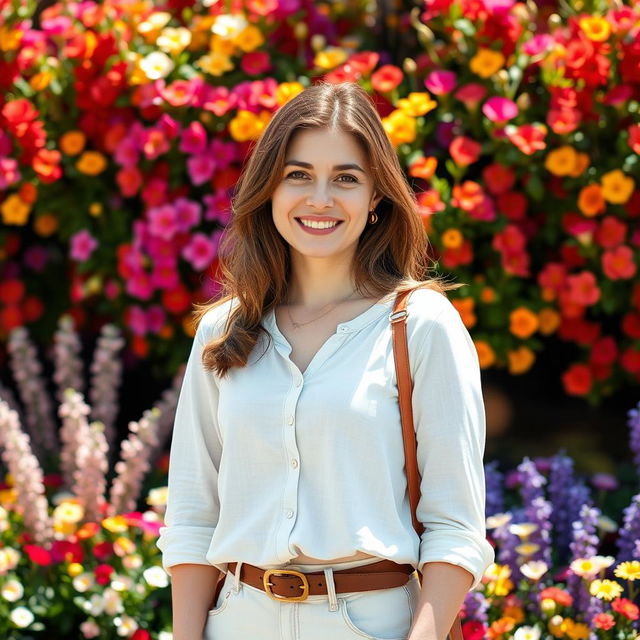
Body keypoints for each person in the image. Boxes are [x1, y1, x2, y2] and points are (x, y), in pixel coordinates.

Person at [157, 82, 494, 640]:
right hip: (238, 622)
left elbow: (456, 527)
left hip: (371, 622)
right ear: (269, 189)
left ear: (376, 198)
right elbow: (193, 516)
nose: (320, 198)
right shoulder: (223, 329)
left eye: (346, 178)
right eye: (298, 175)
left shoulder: (421, 325)